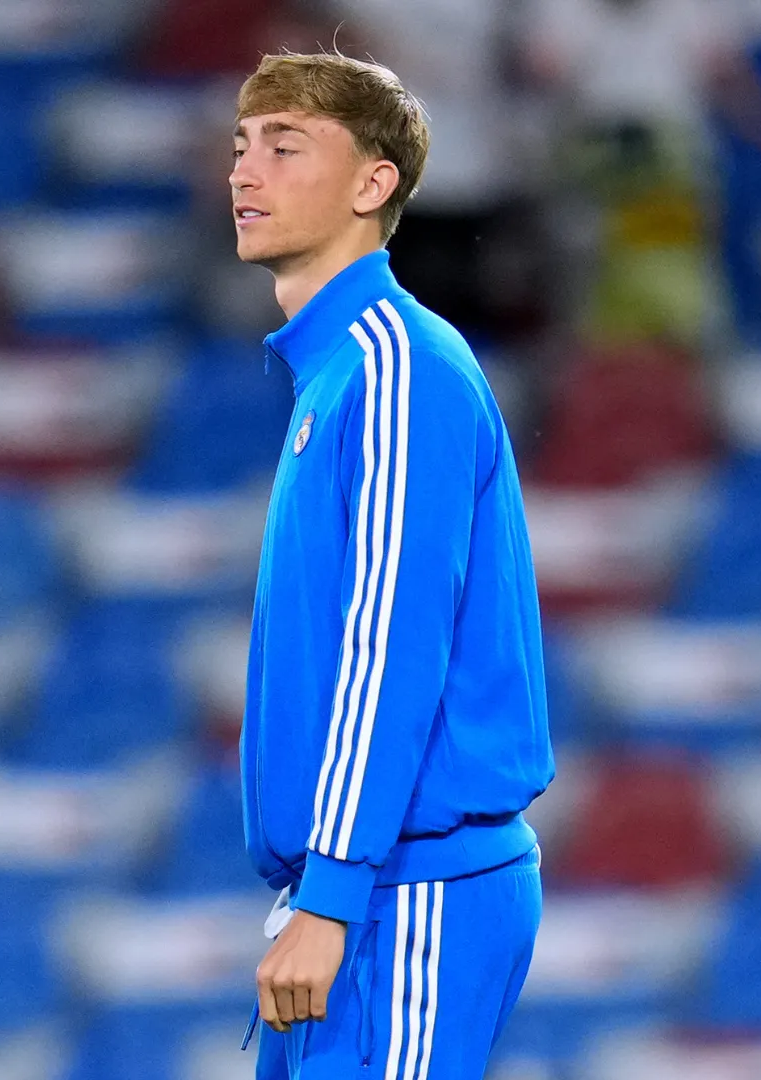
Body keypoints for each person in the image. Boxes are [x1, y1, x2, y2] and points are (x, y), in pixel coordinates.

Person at [229, 53, 557, 1080]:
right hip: (370, 887)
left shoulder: (396, 366)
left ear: (375, 185)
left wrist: (333, 894)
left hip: (407, 889)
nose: (246, 172)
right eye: (241, 147)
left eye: (286, 147)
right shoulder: (341, 368)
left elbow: (392, 643)